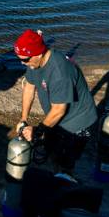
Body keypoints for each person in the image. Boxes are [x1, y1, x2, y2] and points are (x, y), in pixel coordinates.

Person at [13, 29, 98, 176]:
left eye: (25, 59)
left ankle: (66, 183)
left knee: (65, 163)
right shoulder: (34, 63)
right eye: (19, 59)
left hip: (78, 123)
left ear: (39, 54)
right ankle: (57, 173)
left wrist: (38, 131)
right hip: (57, 119)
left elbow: (59, 110)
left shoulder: (59, 71)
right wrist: (23, 119)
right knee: (53, 152)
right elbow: (29, 87)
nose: (22, 63)